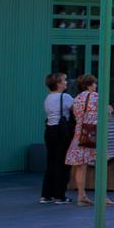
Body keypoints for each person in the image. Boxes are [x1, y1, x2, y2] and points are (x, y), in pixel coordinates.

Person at [65, 73, 110, 207]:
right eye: (94, 83)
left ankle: (81, 196)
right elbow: (105, 113)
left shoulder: (77, 99)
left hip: (80, 134)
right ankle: (102, 196)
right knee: (101, 164)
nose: (96, 85)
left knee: (81, 165)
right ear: (89, 85)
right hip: (95, 134)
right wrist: (109, 109)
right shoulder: (96, 96)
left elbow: (76, 115)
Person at [39, 72, 75, 204]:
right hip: (62, 131)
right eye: (64, 80)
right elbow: (76, 109)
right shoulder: (65, 97)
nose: (66, 82)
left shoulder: (48, 98)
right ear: (58, 84)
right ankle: (60, 196)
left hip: (50, 130)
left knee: (51, 162)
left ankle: (46, 195)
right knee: (63, 163)